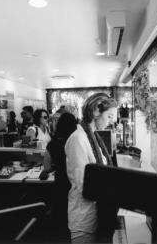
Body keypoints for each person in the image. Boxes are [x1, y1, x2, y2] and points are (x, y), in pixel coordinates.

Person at [65, 93, 117, 244]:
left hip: (94, 213)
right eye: (109, 116)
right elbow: (85, 185)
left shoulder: (93, 137)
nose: (111, 121)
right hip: (84, 218)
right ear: (95, 111)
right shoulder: (78, 139)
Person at [44, 113, 78, 241]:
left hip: (60, 184)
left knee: (60, 215)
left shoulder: (52, 144)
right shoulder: (76, 141)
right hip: (74, 183)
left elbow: (47, 167)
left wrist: (55, 166)